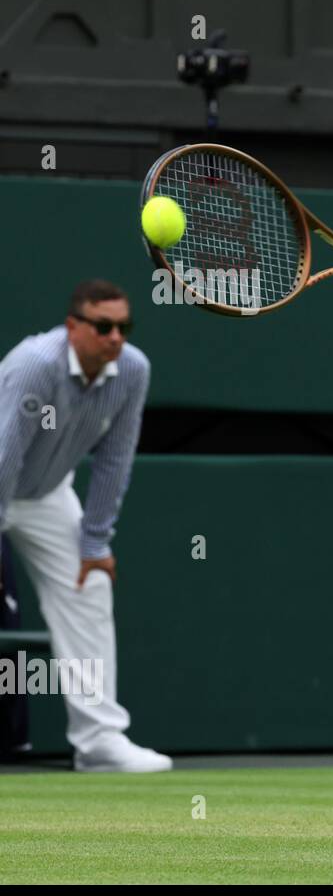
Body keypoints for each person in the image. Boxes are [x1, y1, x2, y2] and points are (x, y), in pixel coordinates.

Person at [0, 279, 171, 772]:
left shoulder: (132, 370)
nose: (115, 337)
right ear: (73, 326)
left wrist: (96, 540)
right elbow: (5, 453)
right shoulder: (37, 364)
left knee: (90, 580)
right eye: (103, 326)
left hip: (47, 493)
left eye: (123, 327)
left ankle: (98, 742)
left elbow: (116, 456)